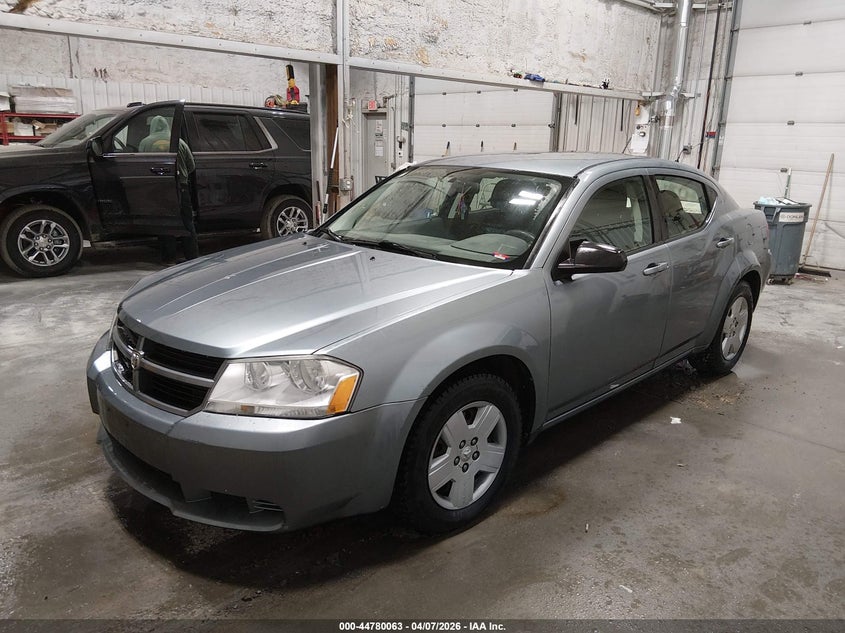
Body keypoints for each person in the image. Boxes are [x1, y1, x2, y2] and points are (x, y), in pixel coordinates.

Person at [159, 135, 199, 263]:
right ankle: (192, 256)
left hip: (159, 187)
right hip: (181, 186)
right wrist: (183, 174)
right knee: (187, 221)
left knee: (165, 222)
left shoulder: (146, 142)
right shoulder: (180, 142)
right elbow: (192, 165)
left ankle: (168, 257)